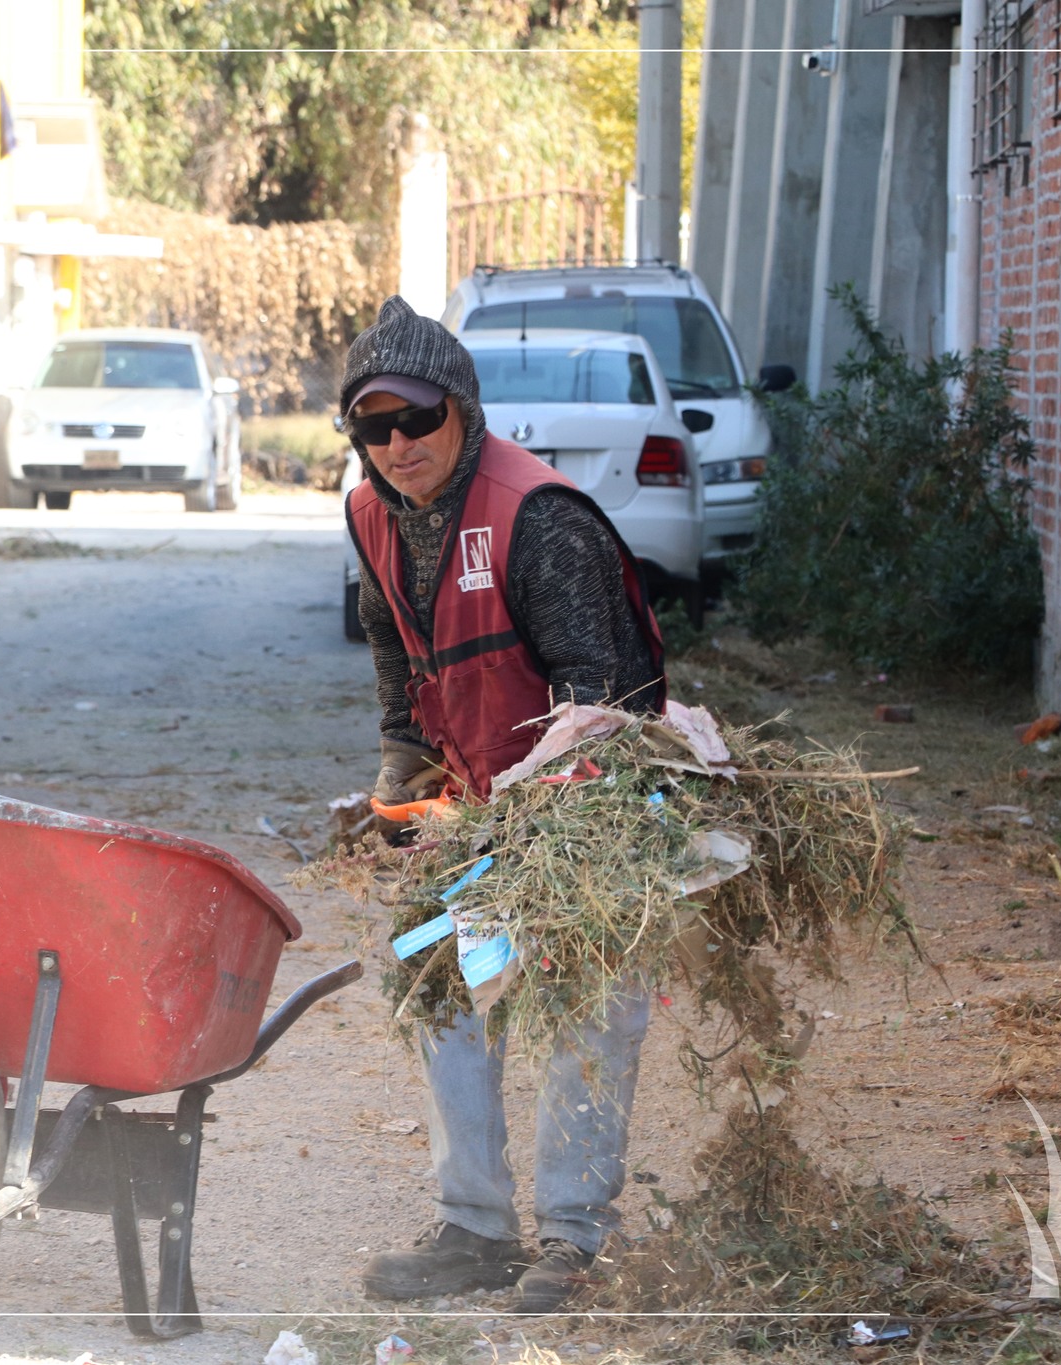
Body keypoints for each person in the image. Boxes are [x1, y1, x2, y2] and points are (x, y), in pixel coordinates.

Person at [341, 295, 668, 1314]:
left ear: (462, 411)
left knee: (582, 1008)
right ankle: (475, 1230)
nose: (397, 446)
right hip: (484, 812)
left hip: (595, 802)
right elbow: (397, 655)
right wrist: (399, 787)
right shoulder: (371, 518)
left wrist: (540, 833)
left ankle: (573, 1240)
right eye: (372, 427)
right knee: (434, 979)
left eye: (415, 420)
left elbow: (601, 695)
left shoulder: (541, 520)